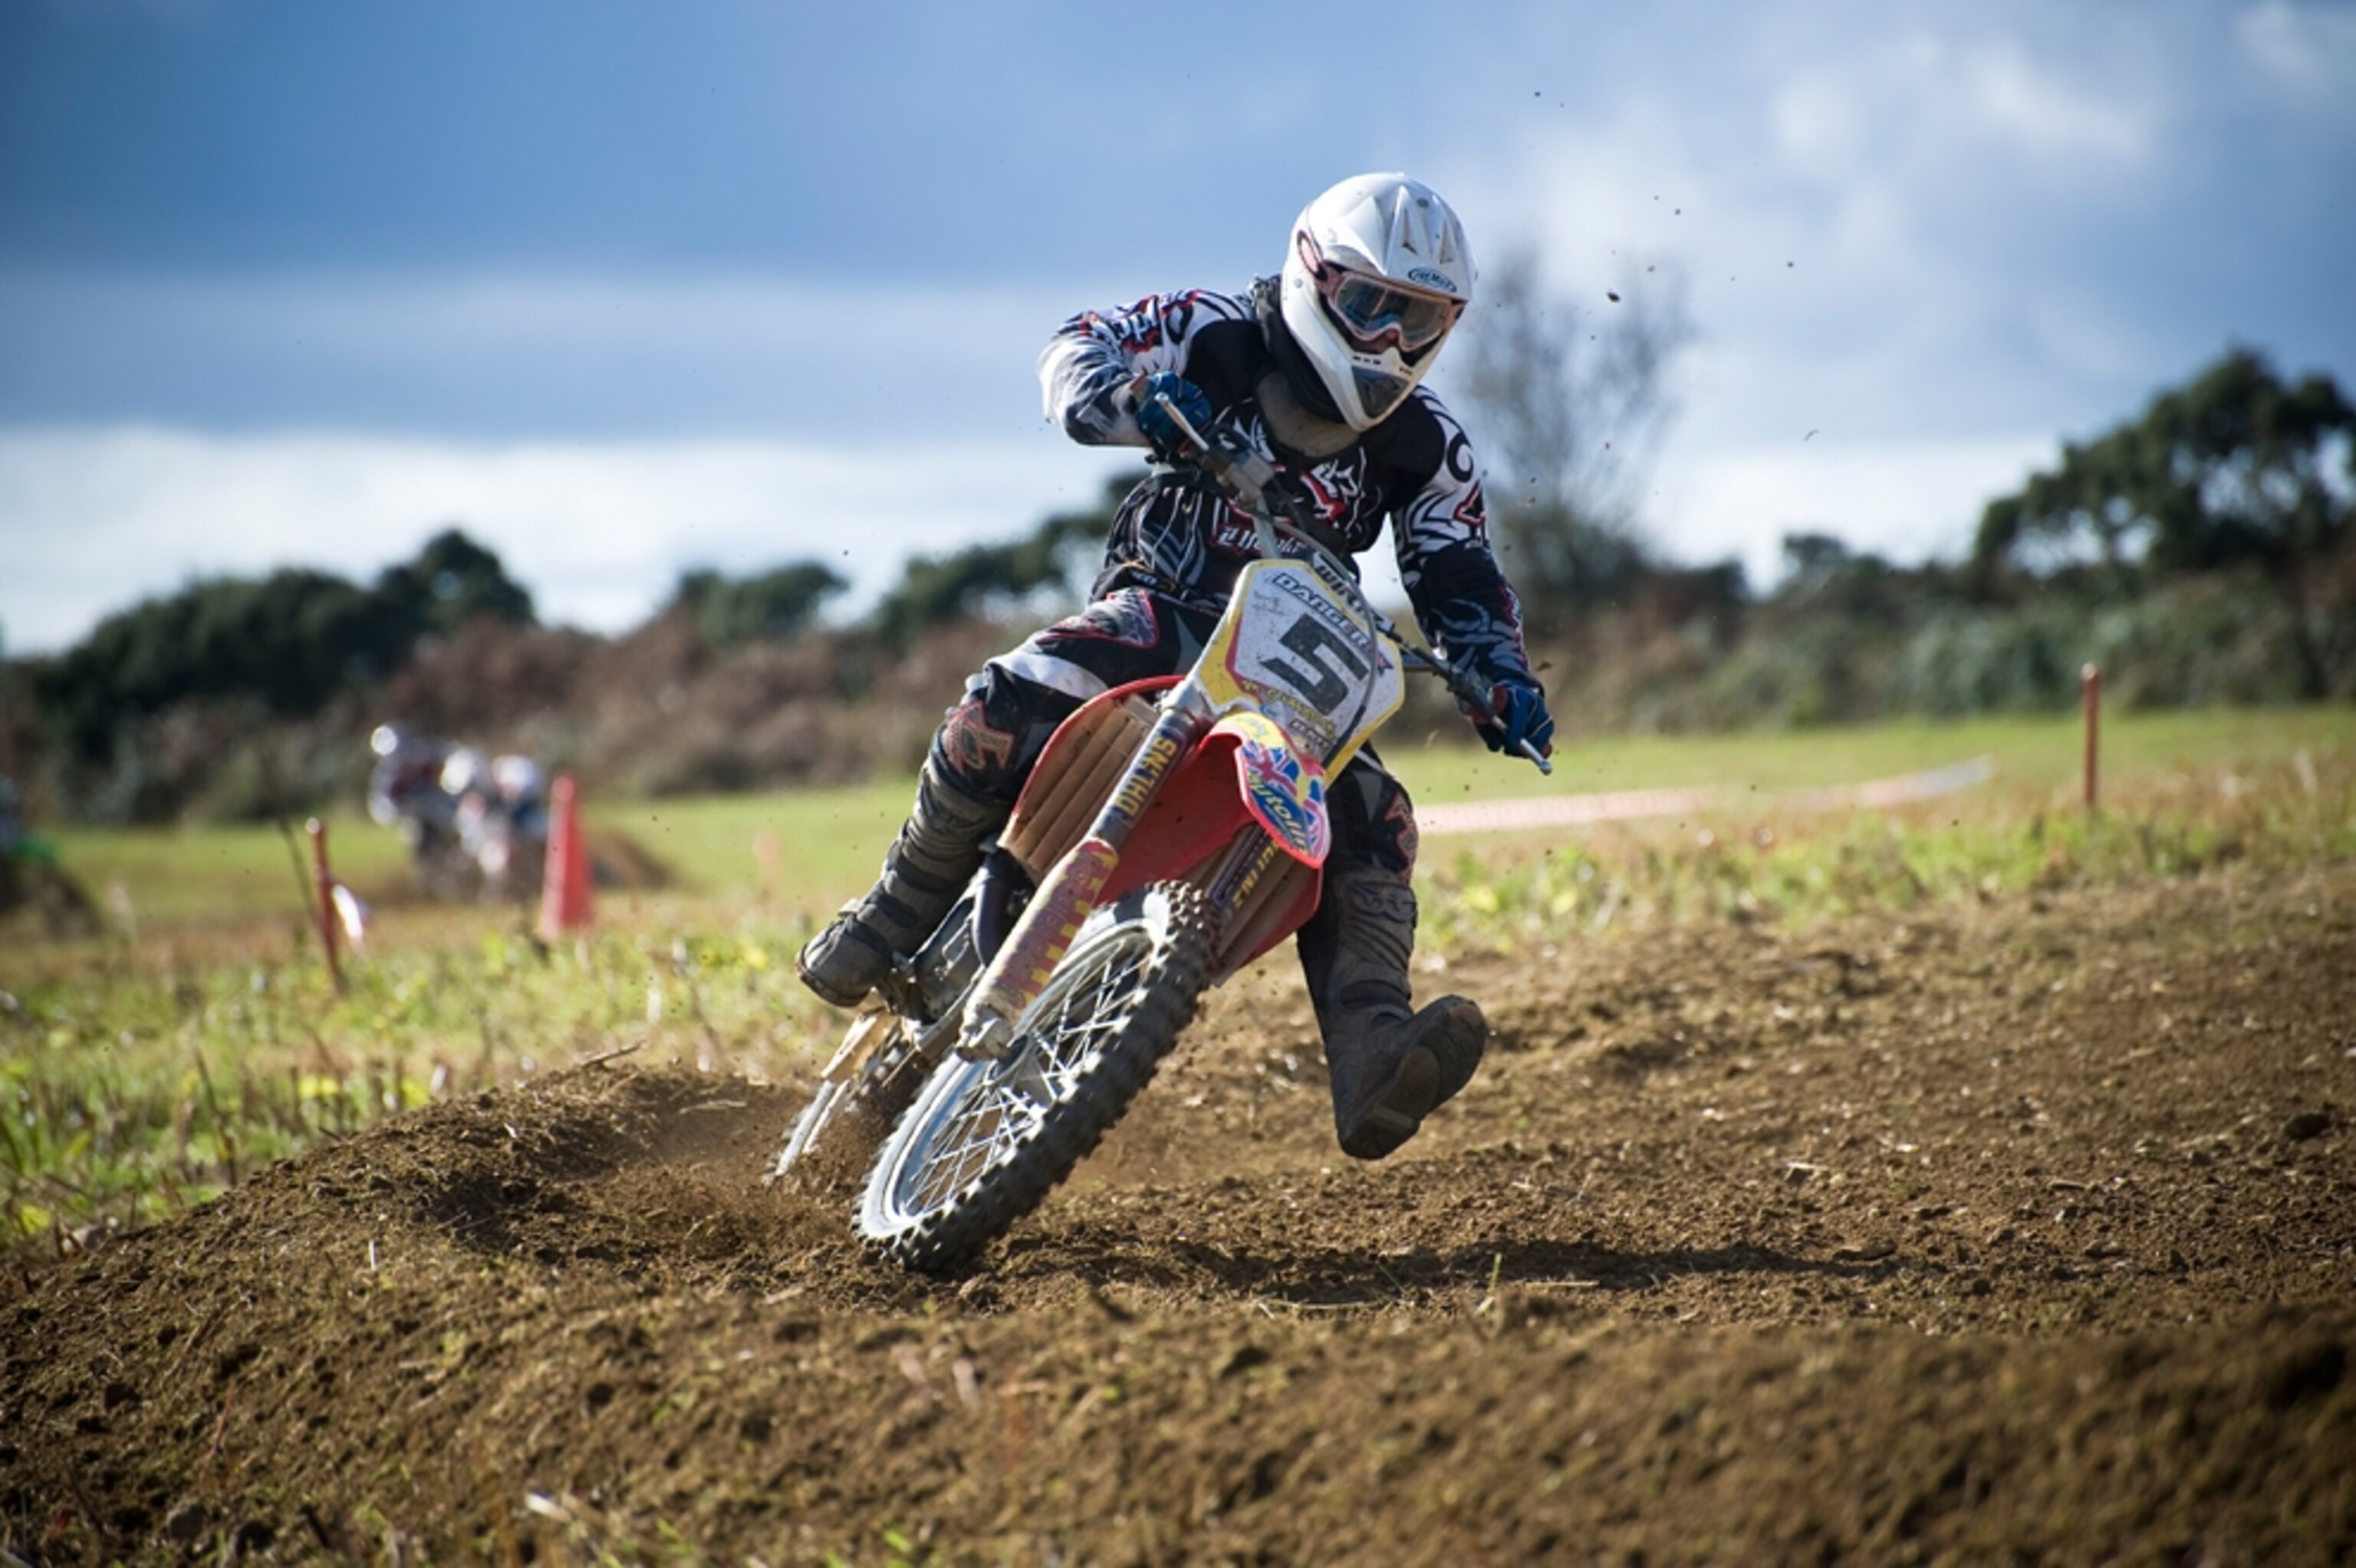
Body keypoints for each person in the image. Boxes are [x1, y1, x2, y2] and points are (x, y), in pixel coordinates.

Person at [798, 173, 1555, 1161]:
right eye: (1372, 305)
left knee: (1381, 819)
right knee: (1002, 704)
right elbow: (1075, 348)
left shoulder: (1428, 443)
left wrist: (1499, 672)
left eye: (1421, 320)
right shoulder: (1213, 332)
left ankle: (1373, 1047)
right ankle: (896, 912)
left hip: (1292, 677)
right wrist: (1132, 402)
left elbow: (1457, 567)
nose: (1391, 343)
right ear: (1310, 278)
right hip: (1161, 612)